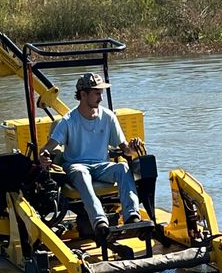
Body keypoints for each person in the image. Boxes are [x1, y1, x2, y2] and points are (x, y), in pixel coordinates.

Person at [38, 72, 145, 236]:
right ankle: (100, 222)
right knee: (81, 173)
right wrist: (44, 154)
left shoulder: (108, 117)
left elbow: (126, 150)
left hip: (102, 166)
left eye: (101, 93)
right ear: (83, 94)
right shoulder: (68, 120)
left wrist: (133, 147)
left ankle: (132, 217)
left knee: (122, 168)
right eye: (97, 93)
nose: (100, 98)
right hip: (76, 165)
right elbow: (49, 147)